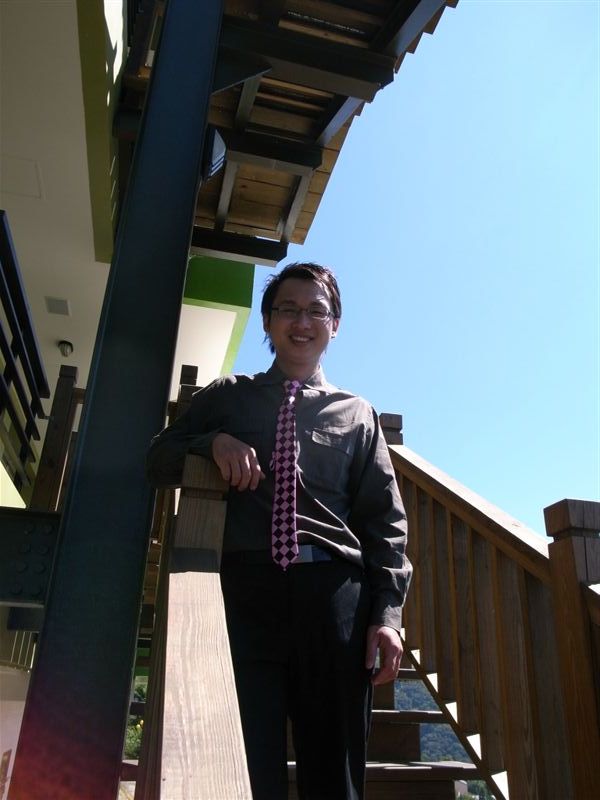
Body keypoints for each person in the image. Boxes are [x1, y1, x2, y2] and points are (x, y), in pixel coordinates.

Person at [146, 262, 412, 800]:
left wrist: (388, 616)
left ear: (334, 325)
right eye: (288, 309)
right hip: (246, 590)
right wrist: (211, 442)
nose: (302, 321)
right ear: (267, 321)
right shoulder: (228, 396)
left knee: (334, 775)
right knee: (242, 764)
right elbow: (158, 457)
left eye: (317, 311)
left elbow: (385, 523)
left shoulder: (357, 414)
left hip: (334, 599)